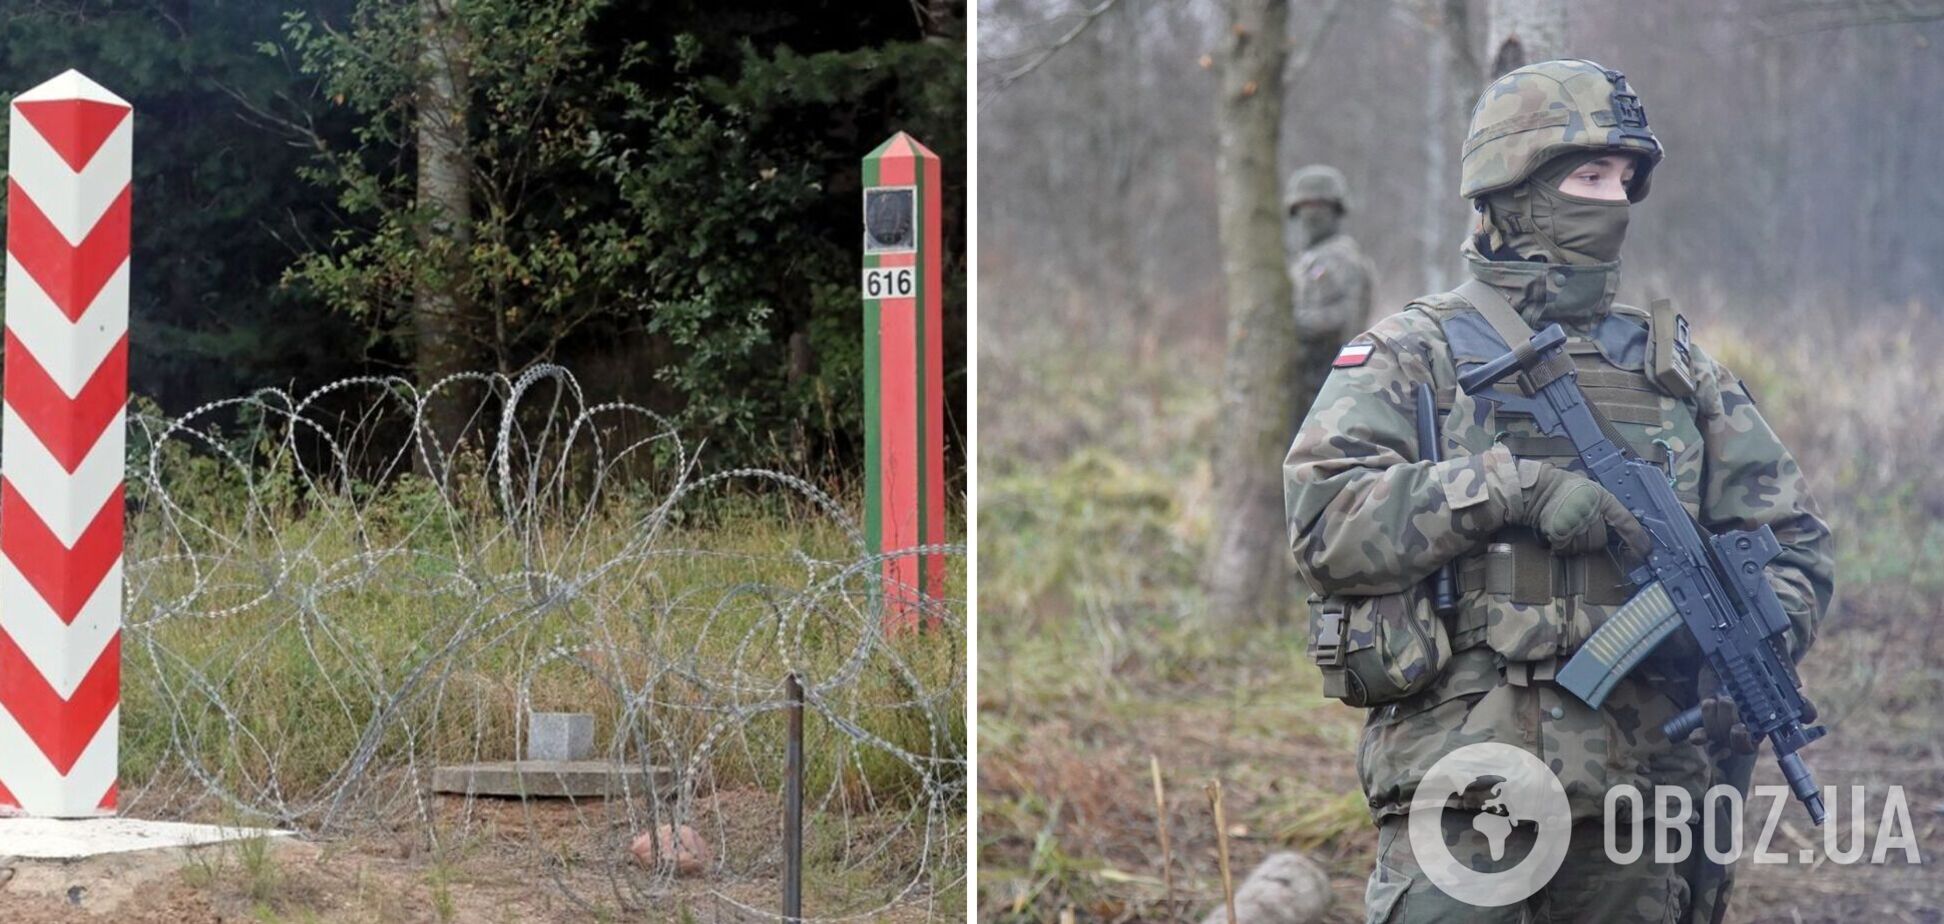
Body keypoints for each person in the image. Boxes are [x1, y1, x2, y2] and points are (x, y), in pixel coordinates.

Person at [1282, 59, 1834, 923]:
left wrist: (1752, 633)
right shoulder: (1413, 354)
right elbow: (1323, 521)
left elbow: (1792, 541)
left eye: (1623, 181)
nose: (1611, 202)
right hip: (1466, 788)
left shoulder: (1680, 372)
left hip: (1642, 803)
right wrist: (1506, 488)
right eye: (1587, 177)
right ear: (1514, 186)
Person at [1286, 165, 1375, 401]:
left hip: (1328, 381)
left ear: (1335, 210)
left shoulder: (1344, 259)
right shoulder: (1303, 260)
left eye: (1318, 206)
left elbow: (1348, 318)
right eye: (1304, 207)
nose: (1311, 215)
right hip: (1301, 379)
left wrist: (1295, 323)